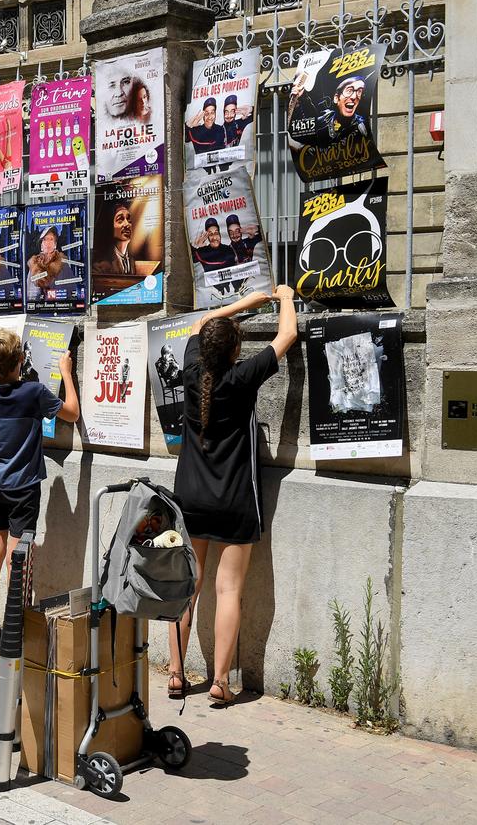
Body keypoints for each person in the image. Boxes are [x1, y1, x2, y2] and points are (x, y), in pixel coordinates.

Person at [168, 285, 297, 706]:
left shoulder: (190, 367)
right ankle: (221, 682)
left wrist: (244, 303)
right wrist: (284, 297)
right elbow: (288, 336)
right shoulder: (241, 377)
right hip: (234, 498)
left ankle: (175, 673)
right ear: (234, 351)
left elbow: (202, 322)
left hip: (189, 496)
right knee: (228, 591)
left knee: (188, 585)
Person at [0, 328, 80, 651]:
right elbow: (71, 412)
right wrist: (66, 373)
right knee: (18, 559)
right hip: (24, 486)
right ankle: (17, 630)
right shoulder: (33, 393)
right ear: (21, 360)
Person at [92, 201, 137, 275]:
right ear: (110, 226)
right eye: (120, 220)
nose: (127, 224)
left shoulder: (131, 259)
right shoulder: (101, 264)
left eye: (129, 219)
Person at [27, 226, 67, 302]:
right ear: (41, 245)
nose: (48, 242)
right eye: (45, 239)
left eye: (51, 239)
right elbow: (31, 294)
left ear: (55, 244)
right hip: (39, 308)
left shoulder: (63, 264)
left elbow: (69, 290)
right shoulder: (34, 265)